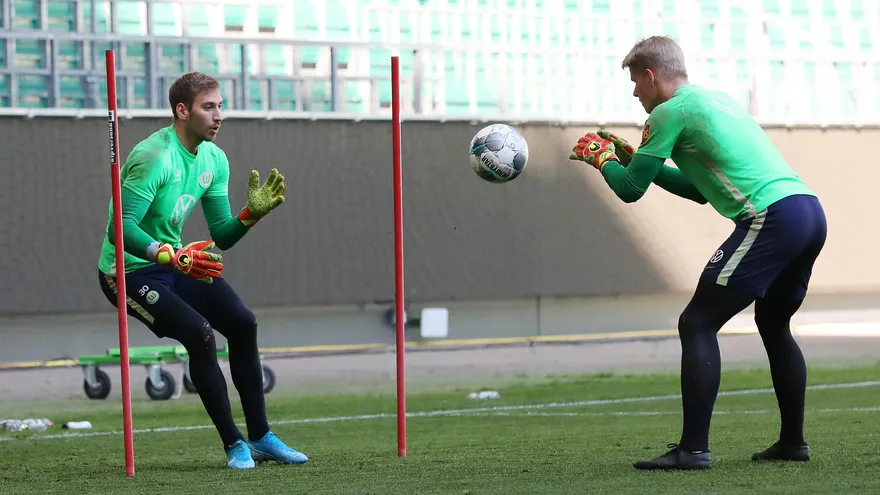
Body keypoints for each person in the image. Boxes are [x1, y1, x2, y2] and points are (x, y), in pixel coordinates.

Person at [569, 36, 827, 470]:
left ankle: (692, 450)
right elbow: (699, 191)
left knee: (697, 321)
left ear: (651, 76)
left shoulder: (668, 112)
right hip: (808, 211)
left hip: (772, 219)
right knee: (773, 322)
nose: (636, 94)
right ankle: (792, 443)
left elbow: (630, 189)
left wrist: (603, 161)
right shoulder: (715, 100)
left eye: (636, 83)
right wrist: (635, 159)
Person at [97, 71, 308, 469]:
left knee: (243, 323)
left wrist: (250, 215)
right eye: (208, 107)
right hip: (127, 273)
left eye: (220, 106)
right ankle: (235, 445)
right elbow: (119, 228)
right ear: (182, 110)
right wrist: (167, 255)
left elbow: (222, 236)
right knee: (201, 334)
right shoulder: (153, 156)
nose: (218, 115)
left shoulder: (214, 159)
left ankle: (261, 437)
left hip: (174, 262)